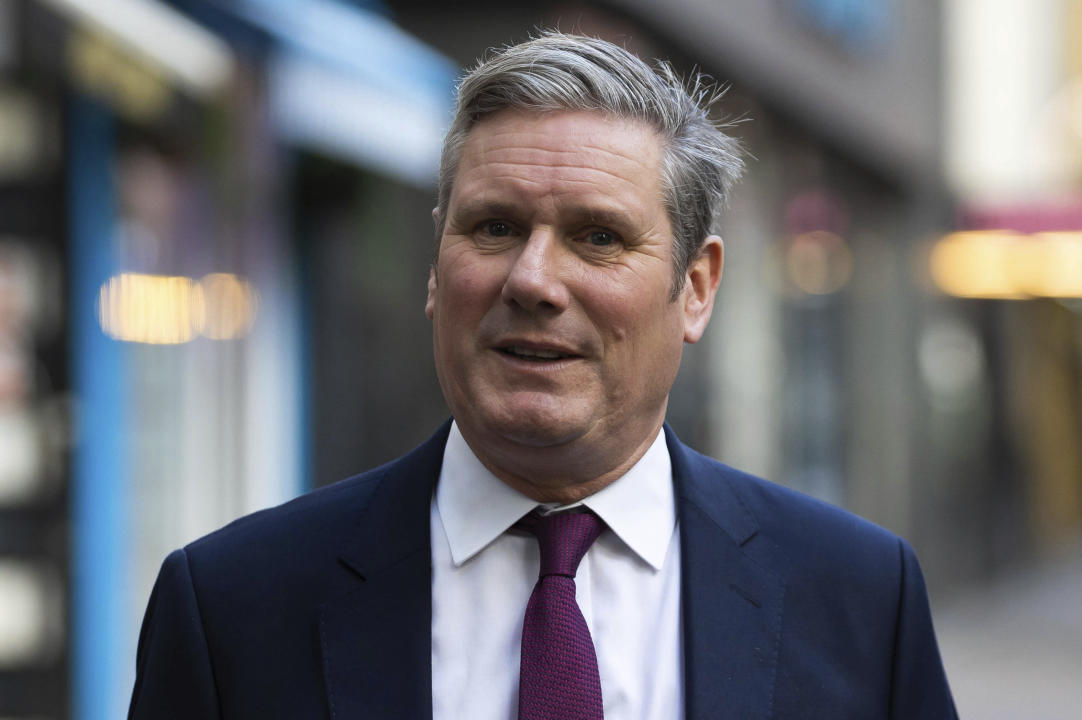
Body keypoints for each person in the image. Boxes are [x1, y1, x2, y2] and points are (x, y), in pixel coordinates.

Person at [129, 32, 957, 720]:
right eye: (494, 226)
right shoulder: (232, 609)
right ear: (433, 266)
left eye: (598, 237)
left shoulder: (858, 599)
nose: (532, 280)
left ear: (696, 288)